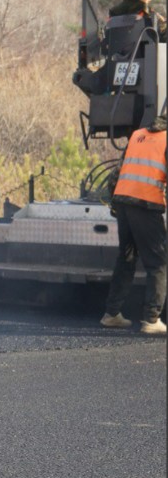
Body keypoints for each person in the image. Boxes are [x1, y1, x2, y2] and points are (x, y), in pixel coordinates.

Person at [100, 114, 167, 335]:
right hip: (146, 204)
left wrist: (115, 202)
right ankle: (151, 319)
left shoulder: (138, 135)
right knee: (159, 262)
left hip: (123, 202)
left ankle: (112, 314)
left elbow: (115, 174)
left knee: (126, 257)